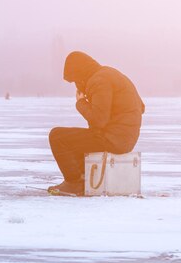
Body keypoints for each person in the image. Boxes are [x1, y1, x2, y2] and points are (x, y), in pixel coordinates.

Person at [48, 51, 145, 196]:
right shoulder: (110, 74)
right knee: (80, 140)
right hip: (124, 139)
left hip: (113, 139)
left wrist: (81, 103)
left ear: (80, 74)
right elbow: (141, 107)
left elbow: (99, 120)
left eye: (75, 80)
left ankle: (74, 182)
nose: (76, 85)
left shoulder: (98, 80)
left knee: (57, 136)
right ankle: (85, 180)